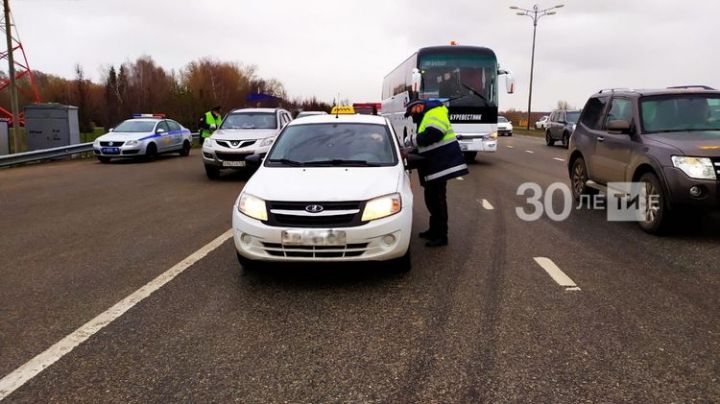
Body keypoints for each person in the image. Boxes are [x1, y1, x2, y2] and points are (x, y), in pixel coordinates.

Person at [405, 99, 469, 247]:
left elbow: (433, 134)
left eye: (412, 113)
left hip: (441, 165)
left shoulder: (435, 112)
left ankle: (441, 236)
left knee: (437, 201)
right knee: (431, 199)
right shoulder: (427, 113)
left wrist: (411, 140)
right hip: (434, 166)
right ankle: (433, 230)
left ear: (418, 106)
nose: (412, 117)